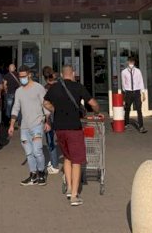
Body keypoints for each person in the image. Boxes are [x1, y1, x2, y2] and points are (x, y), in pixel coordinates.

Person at [44, 65, 100, 207]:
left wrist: (55, 109)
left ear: (62, 74)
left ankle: (69, 188)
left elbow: (45, 103)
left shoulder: (54, 88)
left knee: (67, 157)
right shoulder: (78, 87)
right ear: (73, 73)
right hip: (74, 128)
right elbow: (93, 103)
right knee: (77, 161)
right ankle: (74, 196)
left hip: (59, 129)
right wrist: (96, 111)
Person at [8, 65, 49, 186]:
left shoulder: (38, 88)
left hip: (37, 124)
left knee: (37, 151)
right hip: (24, 127)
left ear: (29, 75)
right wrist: (11, 125)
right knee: (29, 153)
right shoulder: (19, 91)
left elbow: (45, 105)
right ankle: (33, 175)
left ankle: (41, 172)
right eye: (20, 77)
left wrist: (47, 121)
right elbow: (16, 108)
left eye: (24, 76)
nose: (22, 79)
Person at [42, 66, 61, 174]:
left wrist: (47, 119)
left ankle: (54, 164)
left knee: (50, 140)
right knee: (63, 138)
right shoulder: (61, 85)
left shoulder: (45, 88)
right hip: (63, 114)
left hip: (50, 115)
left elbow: (45, 105)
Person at [120, 56, 147, 133]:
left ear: (134, 62)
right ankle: (126, 123)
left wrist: (143, 92)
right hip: (128, 92)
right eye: (130, 61)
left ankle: (141, 126)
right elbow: (123, 83)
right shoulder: (124, 72)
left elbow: (141, 81)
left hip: (137, 92)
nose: (131, 63)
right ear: (128, 62)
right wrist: (125, 92)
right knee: (127, 108)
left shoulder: (138, 71)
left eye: (132, 62)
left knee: (139, 109)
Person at [3, 63, 21, 127]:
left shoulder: (6, 75)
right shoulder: (18, 74)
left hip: (10, 93)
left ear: (9, 69)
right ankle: (18, 121)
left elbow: (5, 84)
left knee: (9, 107)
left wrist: (6, 91)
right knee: (18, 107)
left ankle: (10, 120)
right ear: (15, 68)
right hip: (17, 94)